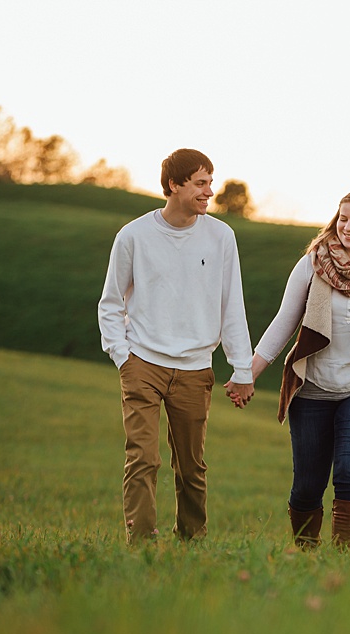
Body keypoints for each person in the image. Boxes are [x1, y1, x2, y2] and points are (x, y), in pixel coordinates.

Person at [228, 189, 350, 550]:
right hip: (312, 389)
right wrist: (248, 373)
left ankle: (343, 561)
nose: (347, 227)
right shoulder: (313, 264)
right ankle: (306, 556)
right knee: (307, 485)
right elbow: (284, 323)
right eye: (343, 218)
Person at [98, 148, 255, 544]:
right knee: (143, 458)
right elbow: (111, 302)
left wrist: (242, 367)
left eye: (210, 182)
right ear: (174, 185)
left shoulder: (221, 236)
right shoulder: (134, 236)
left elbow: (231, 303)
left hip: (195, 368)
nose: (209, 191)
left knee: (191, 467)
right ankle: (142, 543)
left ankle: (191, 541)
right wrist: (123, 357)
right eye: (201, 183)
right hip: (143, 363)